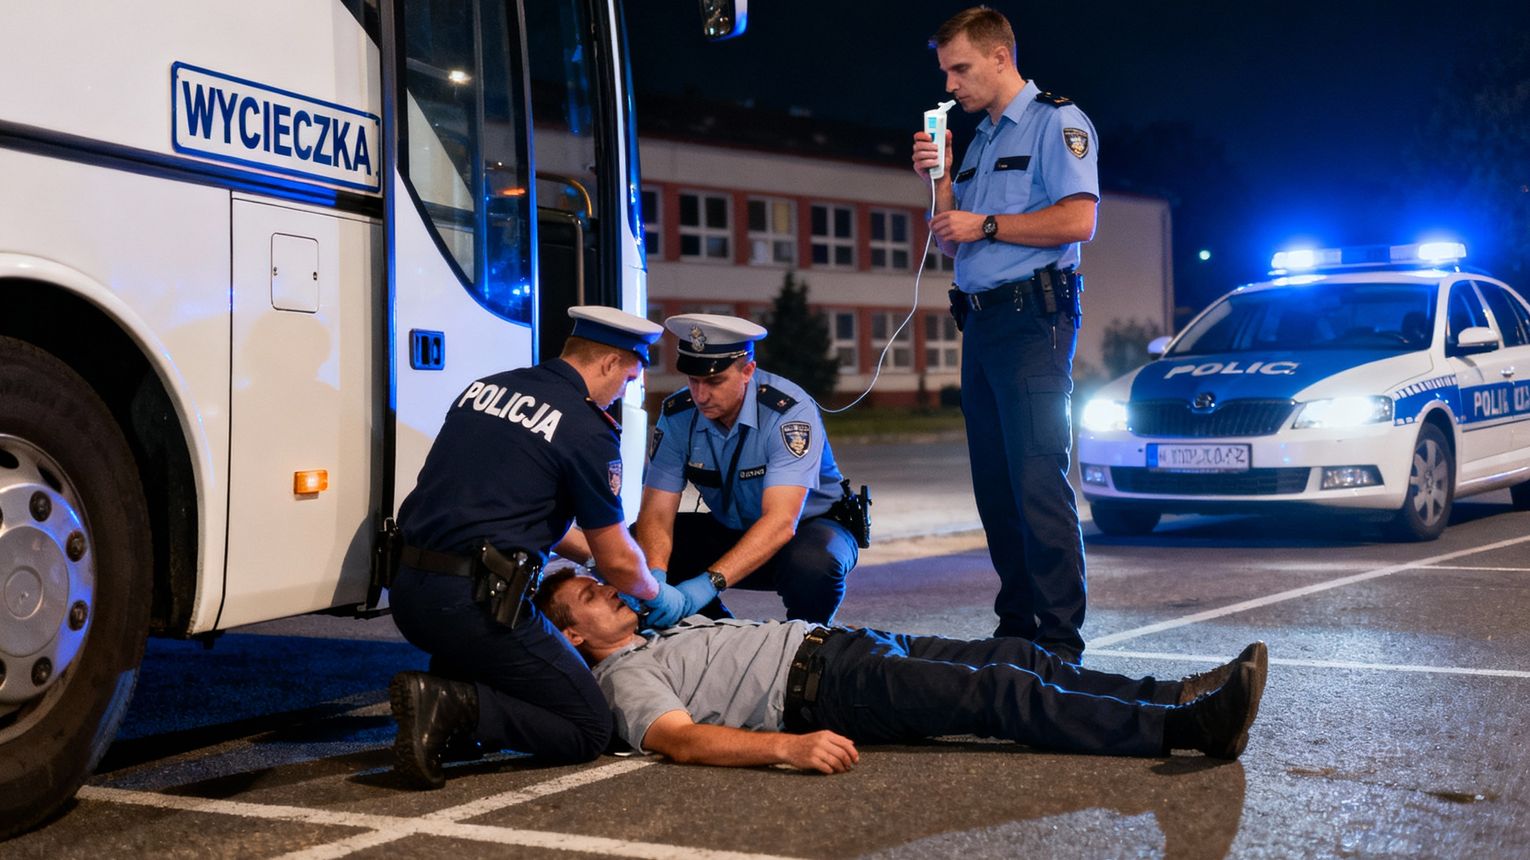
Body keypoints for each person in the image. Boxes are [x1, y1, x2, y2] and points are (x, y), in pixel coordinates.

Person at [535, 570, 1269, 773]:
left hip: (844, 646)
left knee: (1016, 656)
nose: (607, 591)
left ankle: (1176, 691)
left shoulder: (654, 629)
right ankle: (1183, 729)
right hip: (828, 690)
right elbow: (684, 739)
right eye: (588, 598)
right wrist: (788, 748)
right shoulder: (618, 680)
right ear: (572, 637)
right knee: (999, 695)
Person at [386, 306, 691, 789]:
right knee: (588, 728)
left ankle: (453, 715)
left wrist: (589, 557)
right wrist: (654, 591)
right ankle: (454, 705)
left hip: (409, 592)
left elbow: (507, 510)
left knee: (514, 664)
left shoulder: (485, 389)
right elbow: (616, 558)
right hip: (474, 606)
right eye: (631, 377)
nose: (626, 391)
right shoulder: (587, 429)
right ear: (610, 363)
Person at [911, 6, 1099, 661]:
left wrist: (985, 223)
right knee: (995, 485)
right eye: (945, 71)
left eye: (960, 67)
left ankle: (1058, 639)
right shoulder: (981, 139)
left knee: (1037, 479)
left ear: (999, 57)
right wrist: (940, 181)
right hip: (984, 322)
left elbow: (1078, 221)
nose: (952, 82)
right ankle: (1017, 626)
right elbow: (949, 238)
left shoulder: (1057, 121)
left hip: (1034, 322)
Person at [634, 313, 859, 627]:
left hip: (809, 531)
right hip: (733, 529)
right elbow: (656, 511)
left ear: (747, 371)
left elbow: (781, 522)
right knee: (635, 548)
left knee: (812, 564)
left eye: (714, 381)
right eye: (693, 380)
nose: (700, 395)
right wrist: (654, 580)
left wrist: (704, 586)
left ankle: (808, 640)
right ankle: (711, 633)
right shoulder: (678, 414)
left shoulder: (788, 412)